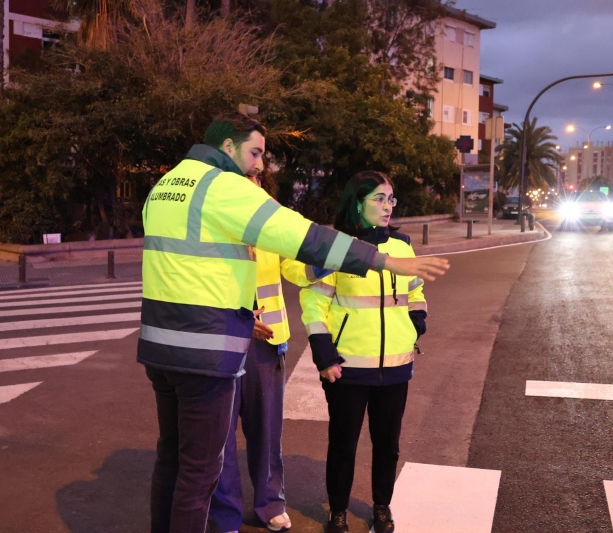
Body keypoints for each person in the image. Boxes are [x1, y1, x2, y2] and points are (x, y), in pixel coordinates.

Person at [139, 113, 448, 533]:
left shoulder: (168, 184)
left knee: (173, 460)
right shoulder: (222, 186)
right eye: (255, 152)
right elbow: (302, 236)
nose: (260, 165)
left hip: (162, 346)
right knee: (200, 472)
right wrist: (385, 259)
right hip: (205, 350)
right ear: (228, 147)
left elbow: (190, 273)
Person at [298, 171, 428, 533]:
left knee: (388, 445)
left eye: (391, 199)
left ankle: (382, 506)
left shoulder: (402, 246)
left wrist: (417, 319)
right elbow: (314, 301)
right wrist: (323, 352)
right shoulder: (337, 247)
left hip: (397, 365)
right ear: (357, 202)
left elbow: (415, 289)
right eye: (379, 198)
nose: (387, 206)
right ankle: (337, 511)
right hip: (348, 367)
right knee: (343, 445)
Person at [210, 170, 293, 533]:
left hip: (267, 344)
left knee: (267, 430)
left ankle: (270, 504)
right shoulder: (214, 229)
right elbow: (204, 286)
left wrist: (327, 260)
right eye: (246, 177)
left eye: (257, 178)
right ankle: (226, 515)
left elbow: (298, 266)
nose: (253, 184)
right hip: (225, 342)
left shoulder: (271, 229)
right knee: (221, 435)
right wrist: (239, 319)